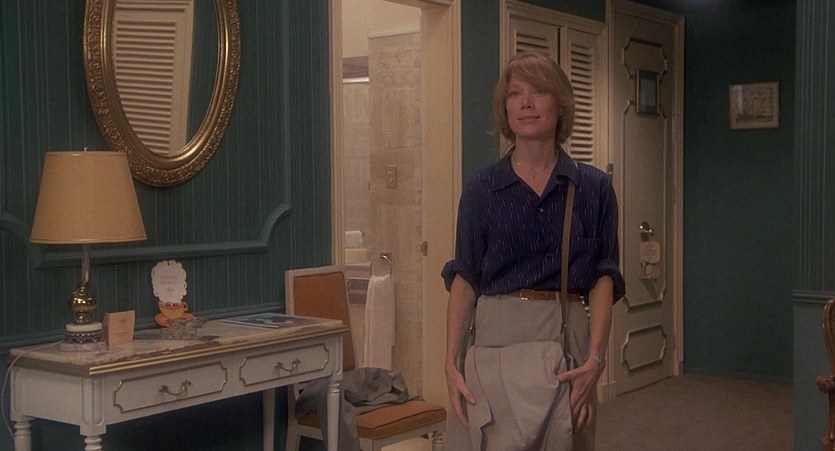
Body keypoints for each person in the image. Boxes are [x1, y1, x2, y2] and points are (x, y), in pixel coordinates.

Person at [442, 52, 625, 450]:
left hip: (567, 332)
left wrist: (595, 359)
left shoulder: (594, 188)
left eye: (539, 91)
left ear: (561, 104)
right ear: (505, 109)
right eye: (514, 94)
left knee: (566, 438)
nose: (525, 103)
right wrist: (451, 363)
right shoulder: (481, 189)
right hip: (495, 334)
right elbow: (465, 277)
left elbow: (604, 278)